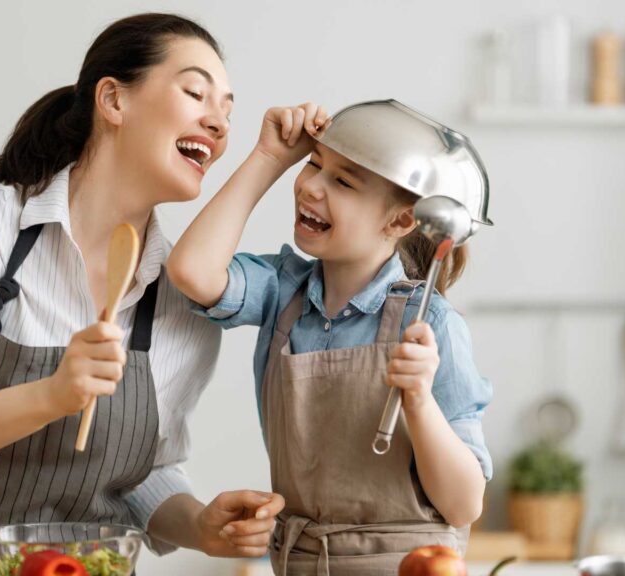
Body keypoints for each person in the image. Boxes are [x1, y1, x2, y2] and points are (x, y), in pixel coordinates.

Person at [0, 13, 283, 575]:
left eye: (228, 111)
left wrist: (200, 525)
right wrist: (51, 395)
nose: (219, 123)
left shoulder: (183, 303)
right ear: (113, 100)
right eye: (195, 93)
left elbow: (143, 473)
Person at [166, 100, 494, 574]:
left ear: (401, 221)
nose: (311, 187)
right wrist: (269, 158)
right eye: (314, 164)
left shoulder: (433, 325)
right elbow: (191, 271)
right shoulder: (281, 291)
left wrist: (418, 400)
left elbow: (464, 505)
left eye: (342, 182)